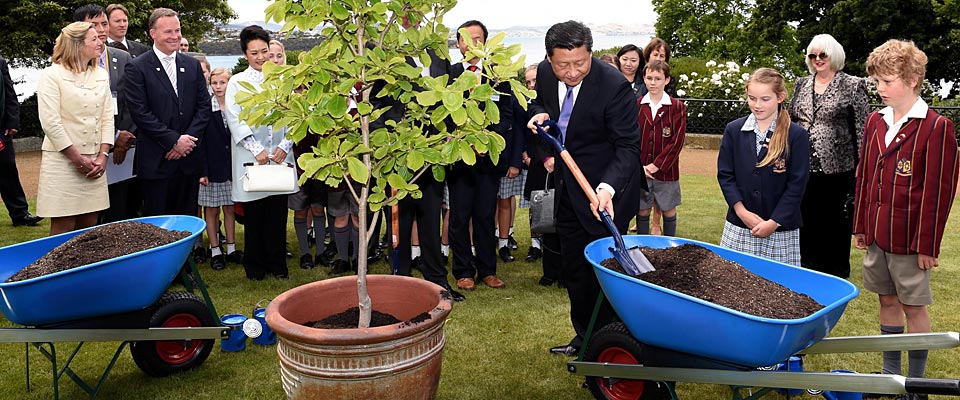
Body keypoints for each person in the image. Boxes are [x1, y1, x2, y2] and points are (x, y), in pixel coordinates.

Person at [527, 21, 643, 356]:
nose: (573, 71)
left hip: (606, 193)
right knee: (575, 270)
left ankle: (611, 346)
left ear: (590, 53)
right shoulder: (548, 75)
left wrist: (607, 188)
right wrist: (538, 115)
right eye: (564, 64)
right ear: (550, 59)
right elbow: (537, 105)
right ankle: (585, 338)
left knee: (606, 275)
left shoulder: (614, 86)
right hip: (567, 187)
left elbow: (628, 148)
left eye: (581, 63)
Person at [854, 39, 958, 388]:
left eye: (887, 81)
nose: (880, 88)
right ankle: (890, 375)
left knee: (914, 307)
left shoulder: (936, 127)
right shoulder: (874, 122)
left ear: (912, 79)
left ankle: (916, 383)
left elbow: (938, 194)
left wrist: (927, 245)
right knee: (886, 299)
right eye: (877, 82)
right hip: (878, 235)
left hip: (911, 239)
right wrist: (861, 226)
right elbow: (865, 177)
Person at [787, 34, 870, 279]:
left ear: (834, 55)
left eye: (822, 54)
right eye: (812, 55)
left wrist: (861, 165)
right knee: (806, 217)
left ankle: (835, 271)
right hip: (802, 164)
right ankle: (806, 267)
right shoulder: (802, 83)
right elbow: (792, 119)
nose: (817, 59)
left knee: (834, 221)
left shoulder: (853, 85)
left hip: (838, 167)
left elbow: (862, 128)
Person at [225, 25, 299, 280]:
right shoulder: (237, 82)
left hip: (280, 156)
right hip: (250, 157)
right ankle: (255, 267)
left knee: (277, 214)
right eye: (254, 52)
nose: (260, 57)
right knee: (255, 215)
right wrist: (257, 149)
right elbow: (235, 119)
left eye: (264, 51)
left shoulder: (282, 79)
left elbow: (293, 116)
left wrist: (284, 146)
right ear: (245, 54)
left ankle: (278, 265)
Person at [717, 67, 809, 265]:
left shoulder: (796, 135)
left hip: (780, 229)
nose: (757, 105)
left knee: (779, 289)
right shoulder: (734, 130)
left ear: (780, 97)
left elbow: (797, 185)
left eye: (765, 99)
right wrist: (742, 212)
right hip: (740, 225)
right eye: (752, 98)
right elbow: (725, 175)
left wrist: (774, 222)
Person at [448, 20, 514, 291]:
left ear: (486, 42)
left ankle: (488, 269)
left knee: (485, 216)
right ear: (460, 43)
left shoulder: (498, 76)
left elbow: (507, 114)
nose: (474, 43)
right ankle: (464, 271)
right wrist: (464, 140)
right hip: (460, 159)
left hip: (488, 160)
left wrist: (485, 141)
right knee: (460, 216)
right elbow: (443, 114)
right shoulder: (449, 74)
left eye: (479, 38)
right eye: (468, 38)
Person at [125, 8, 210, 219]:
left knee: (187, 223)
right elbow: (140, 113)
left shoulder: (192, 65)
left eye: (177, 31)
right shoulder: (137, 67)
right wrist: (173, 141)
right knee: (159, 226)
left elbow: (204, 107)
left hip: (188, 162)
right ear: (153, 33)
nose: (175, 36)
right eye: (168, 32)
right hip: (157, 162)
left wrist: (186, 143)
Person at [36, 21, 114, 235]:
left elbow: (107, 117)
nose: (101, 42)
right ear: (77, 45)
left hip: (95, 163)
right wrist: (77, 159)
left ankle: (87, 269)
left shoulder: (101, 75)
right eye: (94, 39)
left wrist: (103, 156)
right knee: (63, 230)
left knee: (89, 230)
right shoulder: (51, 76)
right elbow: (51, 123)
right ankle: (56, 270)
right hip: (63, 163)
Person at [74, 4, 138, 224]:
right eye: (94, 25)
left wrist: (123, 137)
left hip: (123, 151)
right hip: (87, 149)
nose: (101, 29)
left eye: (104, 23)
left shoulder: (122, 57)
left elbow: (133, 102)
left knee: (120, 210)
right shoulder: (72, 64)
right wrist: (112, 137)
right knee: (88, 216)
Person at [635, 60, 685, 236]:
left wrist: (657, 165)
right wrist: (639, 166)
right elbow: (631, 138)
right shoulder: (637, 105)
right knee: (642, 210)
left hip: (667, 171)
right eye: (649, 78)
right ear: (644, 79)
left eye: (658, 78)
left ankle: (670, 247)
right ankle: (641, 246)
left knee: (668, 209)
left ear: (667, 80)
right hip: (641, 169)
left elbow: (677, 141)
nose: (653, 82)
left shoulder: (677, 107)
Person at [199, 67, 241, 271]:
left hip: (231, 166)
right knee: (212, 209)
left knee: (230, 208)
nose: (218, 87)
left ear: (229, 83)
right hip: (212, 168)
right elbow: (201, 142)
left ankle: (232, 248)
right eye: (214, 83)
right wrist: (203, 171)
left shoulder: (236, 106)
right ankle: (215, 249)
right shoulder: (206, 107)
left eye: (222, 83)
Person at [1, 57, 43, 227]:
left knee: (8, 172)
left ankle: (20, 214)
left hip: (2, 132)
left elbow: (10, 96)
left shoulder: (1, 63)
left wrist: (12, 124)